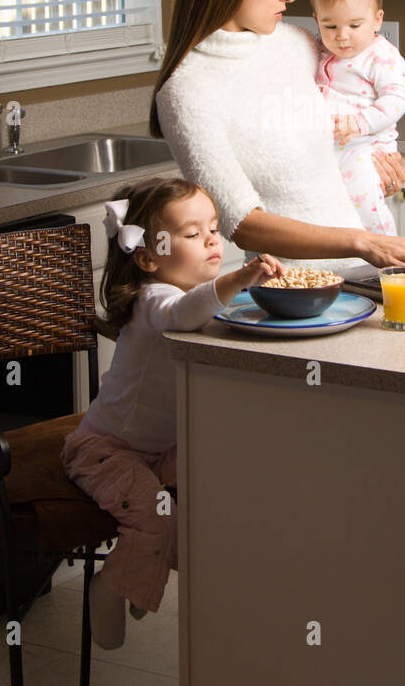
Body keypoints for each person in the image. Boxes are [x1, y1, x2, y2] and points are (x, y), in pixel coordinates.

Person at [149, 0, 405, 272]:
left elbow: (344, 130)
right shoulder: (187, 92)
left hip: (365, 272)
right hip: (292, 292)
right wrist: (360, 242)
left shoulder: (300, 44)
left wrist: (381, 169)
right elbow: (243, 223)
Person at [61, 175, 284, 649]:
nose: (211, 240)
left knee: (213, 501)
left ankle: (151, 572)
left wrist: (253, 286)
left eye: (215, 228)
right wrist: (241, 277)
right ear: (147, 257)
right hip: (108, 451)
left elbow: (208, 308)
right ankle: (108, 591)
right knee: (155, 520)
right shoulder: (154, 299)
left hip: (160, 448)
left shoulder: (196, 295)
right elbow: (183, 315)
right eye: (191, 234)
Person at [308, 0, 405, 236]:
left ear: (377, 20)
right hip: (329, 148)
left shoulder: (380, 55)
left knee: (364, 200)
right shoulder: (316, 50)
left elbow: (397, 98)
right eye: (330, 26)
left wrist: (361, 123)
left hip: (366, 146)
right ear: (316, 20)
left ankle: (388, 250)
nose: (342, 36)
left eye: (354, 25)